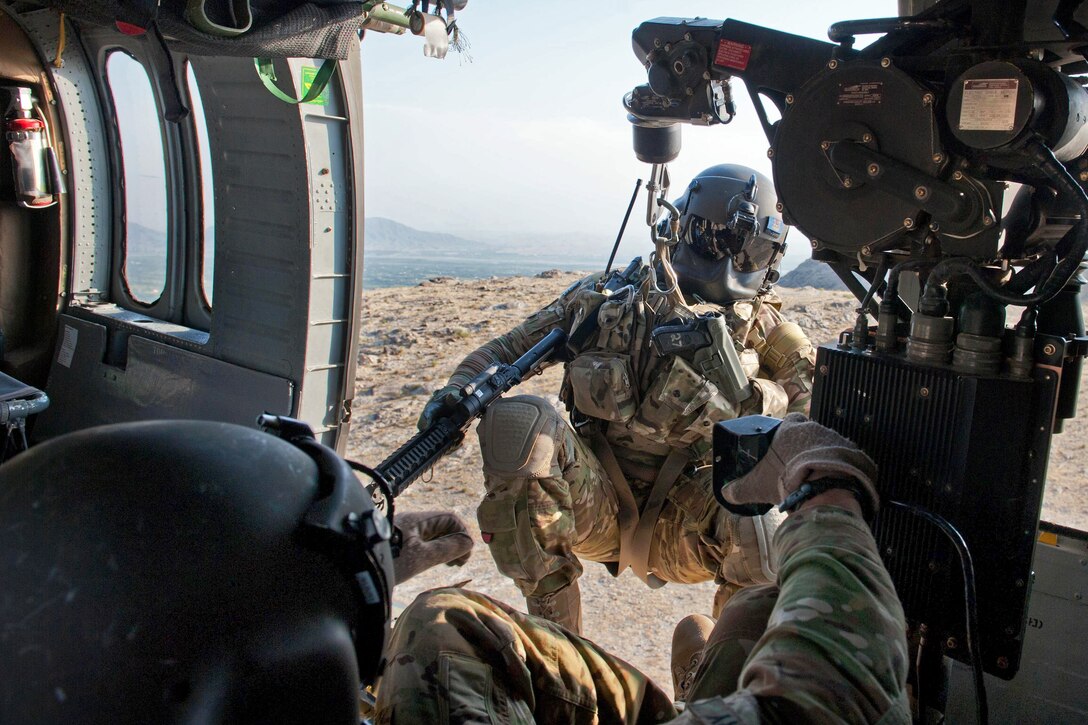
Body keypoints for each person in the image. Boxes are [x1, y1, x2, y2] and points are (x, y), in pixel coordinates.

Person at [417, 164, 818, 632]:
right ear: (685, 229)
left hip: (691, 529)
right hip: (591, 505)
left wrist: (753, 403)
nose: (736, 261)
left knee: (763, 504)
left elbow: (817, 417)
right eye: (724, 240)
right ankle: (559, 651)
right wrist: (456, 393)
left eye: (754, 250)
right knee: (518, 422)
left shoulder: (768, 333)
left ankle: (725, 673)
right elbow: (506, 351)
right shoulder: (606, 301)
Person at [374, 414, 910, 724]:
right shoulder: (617, 301)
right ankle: (710, 698)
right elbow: (833, 694)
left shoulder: (763, 325)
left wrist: (364, 582)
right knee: (759, 611)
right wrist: (825, 486)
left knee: (440, 624)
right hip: (619, 510)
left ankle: (708, 694)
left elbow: (833, 687)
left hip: (682, 521)